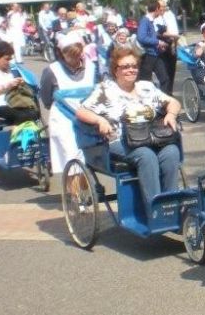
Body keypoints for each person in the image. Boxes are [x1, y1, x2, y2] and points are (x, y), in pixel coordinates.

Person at [77, 46, 183, 206]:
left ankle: (171, 204)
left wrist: (171, 114)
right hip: (119, 141)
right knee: (146, 155)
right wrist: (100, 120)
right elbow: (81, 111)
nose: (131, 70)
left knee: (172, 152)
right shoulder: (105, 90)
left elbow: (173, 102)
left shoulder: (146, 87)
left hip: (152, 137)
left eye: (134, 66)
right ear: (115, 70)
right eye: (125, 66)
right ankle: (154, 208)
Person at [40, 32, 97, 188]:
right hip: (63, 118)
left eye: (77, 55)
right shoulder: (52, 70)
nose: (73, 60)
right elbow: (45, 97)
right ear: (62, 53)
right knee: (71, 156)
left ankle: (86, 193)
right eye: (69, 56)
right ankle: (77, 198)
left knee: (88, 157)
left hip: (88, 116)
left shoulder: (92, 67)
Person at [0, 41, 41, 125]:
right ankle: (20, 135)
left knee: (35, 113)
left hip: (12, 103)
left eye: (10, 59)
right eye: (6, 59)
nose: (9, 62)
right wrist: (7, 86)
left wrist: (19, 83)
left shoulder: (9, 70)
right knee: (21, 116)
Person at [136, 0, 169, 93]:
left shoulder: (150, 21)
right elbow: (141, 38)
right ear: (156, 9)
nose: (161, 11)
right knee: (145, 82)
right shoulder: (145, 21)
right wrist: (157, 41)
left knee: (164, 79)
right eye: (160, 9)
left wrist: (158, 44)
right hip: (147, 56)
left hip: (155, 54)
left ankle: (163, 104)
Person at [155, 0, 180, 95]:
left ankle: (170, 91)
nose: (163, 8)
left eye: (164, 6)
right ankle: (164, 93)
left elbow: (175, 30)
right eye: (161, 7)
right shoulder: (156, 17)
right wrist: (173, 35)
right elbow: (157, 33)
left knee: (171, 70)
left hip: (172, 44)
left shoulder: (170, 15)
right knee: (163, 72)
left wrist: (175, 43)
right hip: (160, 46)